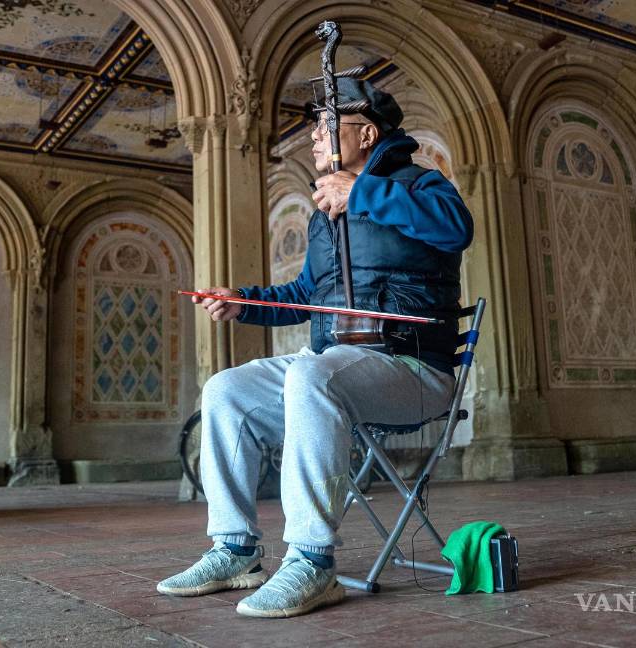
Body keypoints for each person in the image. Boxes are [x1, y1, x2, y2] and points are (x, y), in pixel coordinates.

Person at [157, 78, 474, 618]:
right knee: (226, 389)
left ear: (367, 133)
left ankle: (311, 561)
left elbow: (456, 229)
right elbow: (307, 295)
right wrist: (244, 302)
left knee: (313, 373)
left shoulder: (423, 186)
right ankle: (235, 549)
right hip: (335, 370)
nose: (313, 139)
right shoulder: (324, 210)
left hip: (414, 371)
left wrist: (364, 193)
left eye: (326, 127)